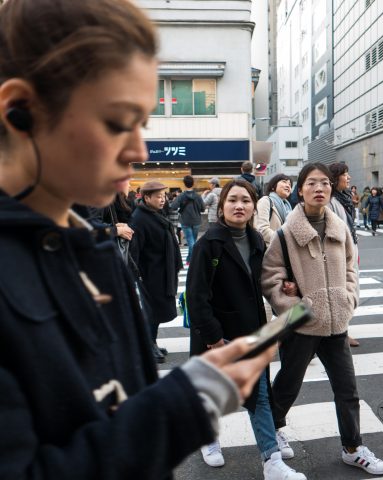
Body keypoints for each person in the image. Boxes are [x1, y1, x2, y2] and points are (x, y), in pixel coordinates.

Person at [0, 1, 276, 477]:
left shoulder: (92, 244)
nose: (138, 151)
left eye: (141, 122)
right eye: (116, 121)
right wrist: (189, 403)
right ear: (20, 110)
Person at [262, 163, 383, 476]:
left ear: (331, 189)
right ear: (300, 189)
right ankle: (275, 428)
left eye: (324, 183)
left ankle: (353, 447)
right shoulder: (287, 232)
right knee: (288, 386)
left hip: (336, 324)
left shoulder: (339, 226)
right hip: (303, 325)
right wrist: (296, 309)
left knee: (347, 390)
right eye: (311, 183)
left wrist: (350, 299)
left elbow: (350, 268)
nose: (319, 188)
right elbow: (270, 277)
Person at [187, 179, 306, 480]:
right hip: (216, 338)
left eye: (245, 201)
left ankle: (272, 461)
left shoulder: (256, 241)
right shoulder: (208, 244)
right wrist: (214, 339)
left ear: (254, 207)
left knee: (260, 396)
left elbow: (261, 285)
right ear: (222, 206)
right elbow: (196, 298)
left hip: (251, 333)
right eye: (232, 200)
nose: (239, 206)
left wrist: (285, 287)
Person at [130, 181, 183, 364]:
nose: (163, 200)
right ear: (147, 198)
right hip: (150, 274)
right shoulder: (139, 218)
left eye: (164, 196)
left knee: (157, 312)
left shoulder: (154, 213)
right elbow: (135, 251)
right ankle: (147, 346)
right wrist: (139, 276)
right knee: (151, 313)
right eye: (158, 197)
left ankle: (152, 342)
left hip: (161, 272)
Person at [328, 162, 360, 347]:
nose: (348, 178)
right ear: (335, 178)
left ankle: (342, 330)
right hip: (339, 255)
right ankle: (340, 332)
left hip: (350, 251)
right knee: (342, 292)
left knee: (349, 290)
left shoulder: (344, 198)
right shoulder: (331, 201)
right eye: (345, 174)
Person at [170, 175, 205, 265]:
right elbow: (203, 209)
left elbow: (173, 206)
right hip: (196, 220)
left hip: (185, 221)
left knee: (191, 242)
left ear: (184, 184)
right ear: (193, 183)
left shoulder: (181, 196)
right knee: (192, 241)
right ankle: (190, 260)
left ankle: (191, 260)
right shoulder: (198, 196)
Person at [254, 173, 292, 247]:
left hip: (283, 251)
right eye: (284, 182)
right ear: (273, 186)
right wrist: (284, 239)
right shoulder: (265, 201)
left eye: (290, 184)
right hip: (268, 250)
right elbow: (262, 230)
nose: (288, 185)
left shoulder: (288, 207)